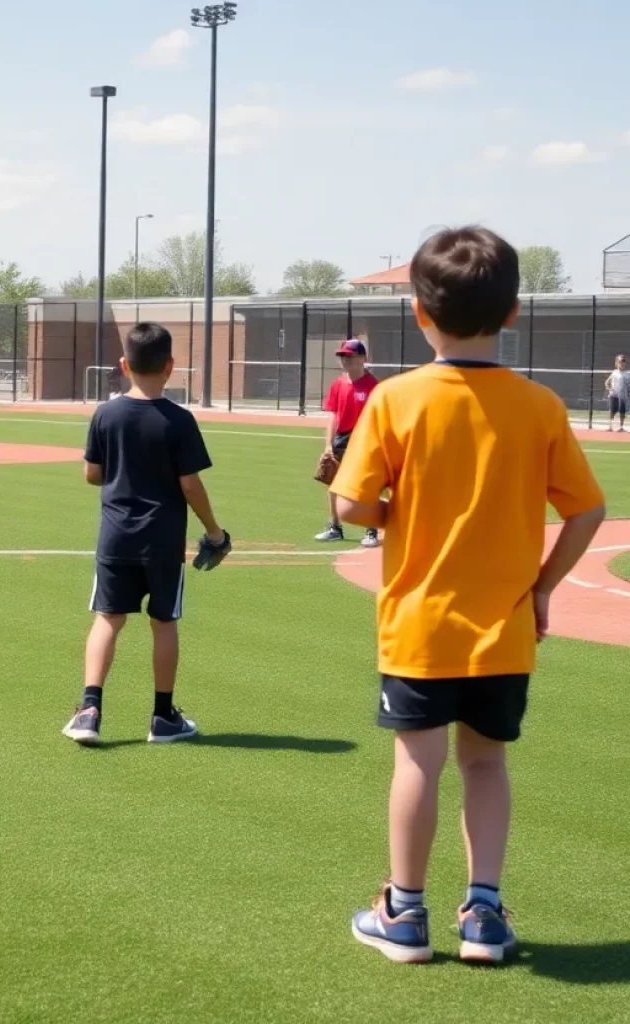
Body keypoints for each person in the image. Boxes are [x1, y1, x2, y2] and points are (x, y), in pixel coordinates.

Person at [332, 226, 605, 964]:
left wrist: (398, 514)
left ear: (420, 313)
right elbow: (587, 510)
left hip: (419, 625)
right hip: (505, 628)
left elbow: (351, 507)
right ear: (513, 311)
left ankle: (406, 913)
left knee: (417, 763)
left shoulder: (395, 399)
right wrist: (545, 587)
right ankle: (484, 914)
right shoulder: (540, 406)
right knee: (486, 764)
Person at [62, 323, 226, 746]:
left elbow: (91, 475)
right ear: (171, 366)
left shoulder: (106, 413)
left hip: (116, 536)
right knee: (164, 622)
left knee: (108, 619)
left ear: (123, 365)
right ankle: (163, 716)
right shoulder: (180, 420)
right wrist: (214, 532)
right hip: (163, 540)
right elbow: (190, 484)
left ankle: (89, 710)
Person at [315, 339, 380, 548]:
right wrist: (328, 445)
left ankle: (371, 531)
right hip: (341, 439)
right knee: (333, 484)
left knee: (365, 486)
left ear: (363, 358)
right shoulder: (338, 384)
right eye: (343, 356)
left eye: (350, 356)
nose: (345, 360)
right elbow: (333, 416)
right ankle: (335, 528)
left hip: (365, 439)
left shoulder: (374, 386)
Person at [603, 353, 629, 431]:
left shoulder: (627, 375)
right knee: (611, 411)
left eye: (624, 361)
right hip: (614, 395)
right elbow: (606, 382)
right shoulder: (614, 372)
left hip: (623, 396)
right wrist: (610, 389)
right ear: (616, 363)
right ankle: (610, 427)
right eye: (620, 361)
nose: (622, 363)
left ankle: (621, 427)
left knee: (622, 412)